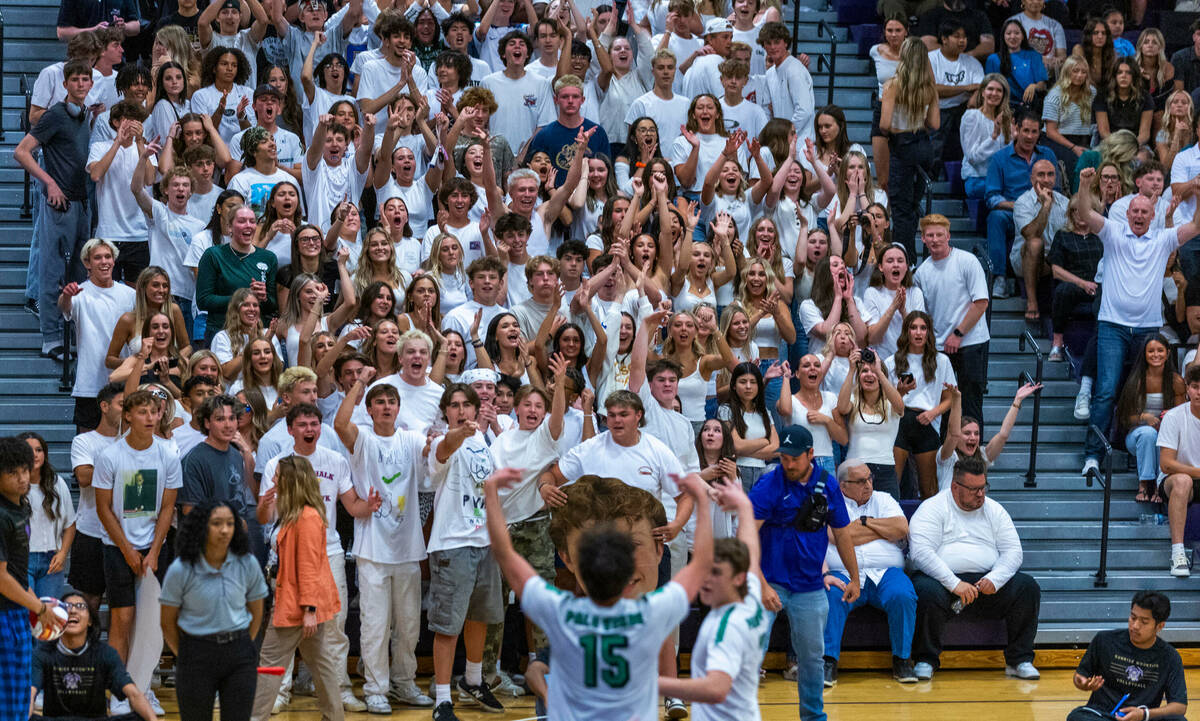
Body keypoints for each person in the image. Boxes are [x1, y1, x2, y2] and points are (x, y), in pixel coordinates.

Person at [485, 462, 713, 721]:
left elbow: (505, 554)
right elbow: (703, 562)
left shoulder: (564, 613)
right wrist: (701, 502)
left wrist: (491, 492)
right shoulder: (647, 614)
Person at [1077, 166, 1200, 480]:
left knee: (1142, 392)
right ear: (1127, 213)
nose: (1140, 215)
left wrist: (1198, 195)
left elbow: (1196, 226)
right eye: (1135, 210)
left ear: (1152, 213)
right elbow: (1086, 214)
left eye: (1146, 211)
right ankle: (1092, 455)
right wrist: (1083, 184)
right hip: (1112, 326)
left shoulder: (1162, 239)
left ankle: (1137, 453)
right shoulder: (1114, 232)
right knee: (1105, 391)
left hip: (1147, 329)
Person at [332, 377, 431, 712]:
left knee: (409, 625)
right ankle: (376, 688)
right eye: (380, 402)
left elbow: (434, 451)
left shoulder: (411, 439)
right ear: (370, 410)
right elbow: (340, 423)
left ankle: (404, 684)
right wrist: (359, 384)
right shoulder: (364, 440)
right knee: (374, 625)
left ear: (398, 409)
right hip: (372, 548)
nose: (386, 406)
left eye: (392, 401)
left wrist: (439, 440)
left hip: (408, 547)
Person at [751, 424, 861, 721]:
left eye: (794, 458)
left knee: (812, 658)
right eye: (783, 458)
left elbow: (843, 533)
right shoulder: (768, 484)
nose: (787, 464)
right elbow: (745, 538)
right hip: (767, 581)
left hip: (810, 585)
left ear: (811, 454)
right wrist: (761, 585)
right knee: (749, 655)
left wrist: (854, 577)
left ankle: (813, 717)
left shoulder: (828, 485)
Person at [908, 456, 1041, 682]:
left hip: (985, 584)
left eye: (983, 488)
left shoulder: (995, 510)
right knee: (925, 591)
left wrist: (996, 579)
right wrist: (954, 583)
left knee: (1027, 587)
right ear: (954, 486)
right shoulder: (932, 508)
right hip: (944, 583)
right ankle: (926, 660)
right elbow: (921, 553)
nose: (980, 494)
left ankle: (1019, 660)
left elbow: (1013, 552)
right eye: (973, 489)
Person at [91, 388, 181, 701]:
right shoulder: (110, 456)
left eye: (154, 412)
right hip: (117, 547)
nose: (149, 418)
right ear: (127, 416)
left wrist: (154, 551)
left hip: (155, 547)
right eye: (142, 412)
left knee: (150, 621)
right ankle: (119, 691)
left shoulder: (168, 454)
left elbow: (168, 508)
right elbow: (103, 508)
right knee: (122, 618)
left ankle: (143, 687)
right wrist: (128, 550)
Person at [654, 477, 765, 719]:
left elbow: (715, 688)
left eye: (716, 573)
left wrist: (652, 685)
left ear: (736, 578)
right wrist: (742, 507)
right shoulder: (751, 597)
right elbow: (750, 550)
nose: (705, 578)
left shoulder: (724, 628)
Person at [425, 384, 504, 720]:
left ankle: (473, 680)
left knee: (479, 616)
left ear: (475, 409)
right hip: (452, 544)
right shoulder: (440, 441)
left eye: (465, 405)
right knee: (448, 626)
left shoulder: (485, 444)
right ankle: (442, 698)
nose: (460, 410)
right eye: (453, 405)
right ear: (447, 412)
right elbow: (444, 450)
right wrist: (458, 432)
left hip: (484, 540)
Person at [248, 455, 344, 721]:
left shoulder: (307, 518)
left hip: (297, 605)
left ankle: (255, 717)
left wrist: (309, 609)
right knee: (321, 663)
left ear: (292, 480)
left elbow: (309, 568)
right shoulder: (292, 512)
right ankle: (334, 716)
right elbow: (263, 518)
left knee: (268, 663)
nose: (274, 479)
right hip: (299, 601)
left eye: (278, 475)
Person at [13, 60, 94, 362]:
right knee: (52, 271)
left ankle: (70, 333)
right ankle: (50, 337)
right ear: (65, 84)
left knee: (78, 272)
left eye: (85, 79)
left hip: (82, 202)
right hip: (60, 204)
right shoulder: (57, 114)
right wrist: (50, 183)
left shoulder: (85, 115)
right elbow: (21, 152)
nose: (81, 84)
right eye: (75, 79)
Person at [159, 500, 267, 721]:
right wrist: (187, 654)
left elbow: (257, 612)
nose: (225, 529)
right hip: (196, 652)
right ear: (202, 527)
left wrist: (245, 644)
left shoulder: (247, 563)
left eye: (230, 523)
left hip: (238, 654)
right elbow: (167, 622)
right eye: (217, 523)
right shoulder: (181, 569)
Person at [821, 459, 917, 686]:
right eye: (861, 481)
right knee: (833, 596)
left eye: (870, 478)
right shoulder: (828, 503)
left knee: (903, 595)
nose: (868, 484)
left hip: (885, 571)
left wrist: (862, 523)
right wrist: (880, 530)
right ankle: (828, 663)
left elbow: (901, 528)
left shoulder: (884, 499)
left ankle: (902, 660)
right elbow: (834, 537)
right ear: (843, 485)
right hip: (842, 571)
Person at [0, 437, 65, 719]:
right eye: (12, 473)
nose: (22, 478)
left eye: (24, 470)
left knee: (18, 701)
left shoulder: (21, 508)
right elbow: (1, 579)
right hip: (3, 617)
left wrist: (34, 602)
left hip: (15, 614)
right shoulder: (1, 516)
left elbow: (15, 569)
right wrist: (38, 607)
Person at [31, 589, 156, 721]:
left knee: (141, 717)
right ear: (58, 617)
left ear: (90, 620)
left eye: (80, 607)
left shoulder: (106, 653)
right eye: (67, 607)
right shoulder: (42, 653)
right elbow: (29, 694)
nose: (73, 611)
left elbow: (133, 694)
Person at [913, 214, 990, 425]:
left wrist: (958, 334)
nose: (935, 239)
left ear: (948, 236)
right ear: (923, 239)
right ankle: (945, 455)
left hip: (971, 342)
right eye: (930, 235)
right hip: (939, 346)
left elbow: (981, 302)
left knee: (971, 401)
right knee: (942, 402)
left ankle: (973, 453)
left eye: (939, 234)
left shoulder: (967, 261)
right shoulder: (921, 273)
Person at [1069, 591, 1187, 721]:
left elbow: (1179, 706)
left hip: (1141, 717)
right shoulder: (1104, 640)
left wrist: (1144, 714)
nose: (1135, 626)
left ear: (1160, 626)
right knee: (1076, 717)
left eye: (1144, 622)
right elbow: (1080, 676)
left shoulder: (1170, 656)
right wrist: (1083, 684)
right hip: (1102, 715)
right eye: (1133, 617)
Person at [59, 239, 136, 431]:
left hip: (123, 382)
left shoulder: (130, 294)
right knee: (86, 443)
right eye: (98, 257)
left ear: (114, 260)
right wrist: (66, 295)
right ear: (87, 263)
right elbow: (65, 307)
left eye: (108, 256)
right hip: (89, 383)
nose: (104, 262)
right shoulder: (80, 293)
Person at [983, 109, 1056, 297]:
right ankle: (999, 278)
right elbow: (992, 197)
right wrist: (1019, 206)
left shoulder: (1048, 154)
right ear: (1016, 129)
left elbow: (1059, 190)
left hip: (1045, 208)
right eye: (1026, 131)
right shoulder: (1000, 158)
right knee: (995, 217)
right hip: (1012, 211)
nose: (1030, 136)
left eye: (1034, 132)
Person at [880, 37, 939, 259]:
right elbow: (934, 124)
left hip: (902, 147)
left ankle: (904, 260)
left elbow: (884, 125)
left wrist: (898, 132)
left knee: (902, 209)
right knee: (913, 206)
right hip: (924, 148)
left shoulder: (892, 84)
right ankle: (911, 256)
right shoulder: (929, 89)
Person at [525, 75, 611, 185]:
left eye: (575, 96)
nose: (570, 101)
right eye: (565, 97)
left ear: (583, 100)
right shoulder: (544, 136)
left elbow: (607, 172)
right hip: (554, 197)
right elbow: (532, 173)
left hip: (589, 196)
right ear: (556, 100)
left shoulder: (597, 132)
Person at [1156, 364, 1200, 578]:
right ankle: (1178, 553)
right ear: (1187, 389)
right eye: (1195, 387)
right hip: (1174, 480)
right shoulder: (1174, 417)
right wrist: (1197, 472)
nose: (1199, 392)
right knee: (1183, 480)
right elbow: (1166, 464)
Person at [1012, 159, 1068, 324]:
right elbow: (1031, 235)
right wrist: (1045, 206)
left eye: (1050, 174)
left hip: (1052, 260)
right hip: (1025, 258)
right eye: (1041, 175)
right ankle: (1032, 301)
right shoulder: (1023, 202)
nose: (1046, 179)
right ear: (1031, 179)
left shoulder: (1064, 202)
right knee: (1036, 243)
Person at [20, 432, 74, 600]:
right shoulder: (12, 485)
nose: (35, 454)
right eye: (29, 450)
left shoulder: (57, 483)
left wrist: (63, 553)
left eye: (39, 450)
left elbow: (70, 524)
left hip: (52, 560)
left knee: (50, 619)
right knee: (24, 614)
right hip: (22, 559)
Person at [928, 21, 984, 163]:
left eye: (964, 37)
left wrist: (972, 100)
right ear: (944, 39)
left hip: (963, 110)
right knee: (934, 150)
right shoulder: (930, 59)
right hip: (937, 110)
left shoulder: (972, 62)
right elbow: (932, 89)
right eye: (957, 36)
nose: (962, 40)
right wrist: (965, 88)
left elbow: (980, 88)